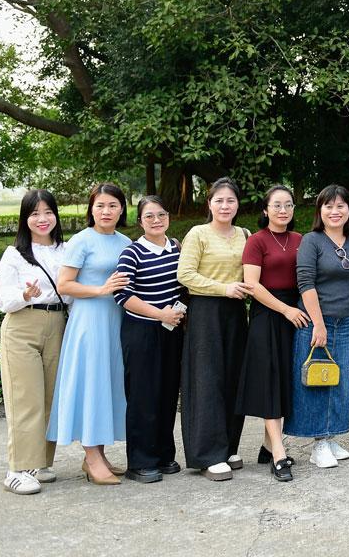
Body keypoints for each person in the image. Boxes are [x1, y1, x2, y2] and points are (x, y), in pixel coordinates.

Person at [48, 182, 132, 485]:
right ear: (91, 209)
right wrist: (101, 289)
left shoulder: (125, 241)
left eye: (112, 205)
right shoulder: (81, 240)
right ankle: (92, 457)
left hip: (117, 320)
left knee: (107, 384)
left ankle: (98, 455)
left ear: (122, 208)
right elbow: (65, 284)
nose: (106, 211)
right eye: (100, 206)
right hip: (89, 322)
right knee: (91, 383)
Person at [286, 184, 349, 469]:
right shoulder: (312, 240)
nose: (335, 211)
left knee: (339, 379)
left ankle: (331, 436)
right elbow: (305, 283)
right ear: (320, 211)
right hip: (314, 322)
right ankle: (318, 443)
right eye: (328, 206)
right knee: (317, 381)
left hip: (346, 322)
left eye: (340, 206)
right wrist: (318, 324)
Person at [0, 189, 67, 494]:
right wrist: (24, 295)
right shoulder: (14, 254)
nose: (42, 219)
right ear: (25, 218)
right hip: (22, 326)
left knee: (51, 398)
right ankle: (17, 470)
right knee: (26, 400)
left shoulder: (66, 249)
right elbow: (2, 298)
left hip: (57, 324)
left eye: (48, 212)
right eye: (34, 213)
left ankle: (40, 464)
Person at [177, 177, 251, 480]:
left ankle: (228, 446)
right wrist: (223, 289)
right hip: (206, 311)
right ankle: (207, 454)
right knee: (207, 379)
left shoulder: (245, 234)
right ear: (209, 204)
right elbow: (185, 275)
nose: (225, 205)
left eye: (230, 200)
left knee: (234, 377)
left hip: (236, 313)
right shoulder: (198, 234)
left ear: (237, 205)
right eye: (218, 200)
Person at [113, 195, 186, 483]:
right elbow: (123, 295)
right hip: (141, 331)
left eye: (161, 214)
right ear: (140, 221)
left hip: (171, 331)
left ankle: (164, 455)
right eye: (149, 216)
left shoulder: (177, 248)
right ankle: (140, 462)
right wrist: (160, 315)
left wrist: (174, 316)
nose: (157, 220)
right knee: (143, 396)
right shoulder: (131, 253)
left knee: (167, 394)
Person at [236, 185, 306, 481]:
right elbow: (252, 284)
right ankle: (278, 452)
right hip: (268, 315)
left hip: (297, 314)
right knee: (270, 381)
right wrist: (284, 310)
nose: (283, 210)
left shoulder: (301, 239)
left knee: (287, 380)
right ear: (265, 210)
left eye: (288, 205)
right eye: (276, 205)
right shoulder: (256, 240)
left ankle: (267, 444)